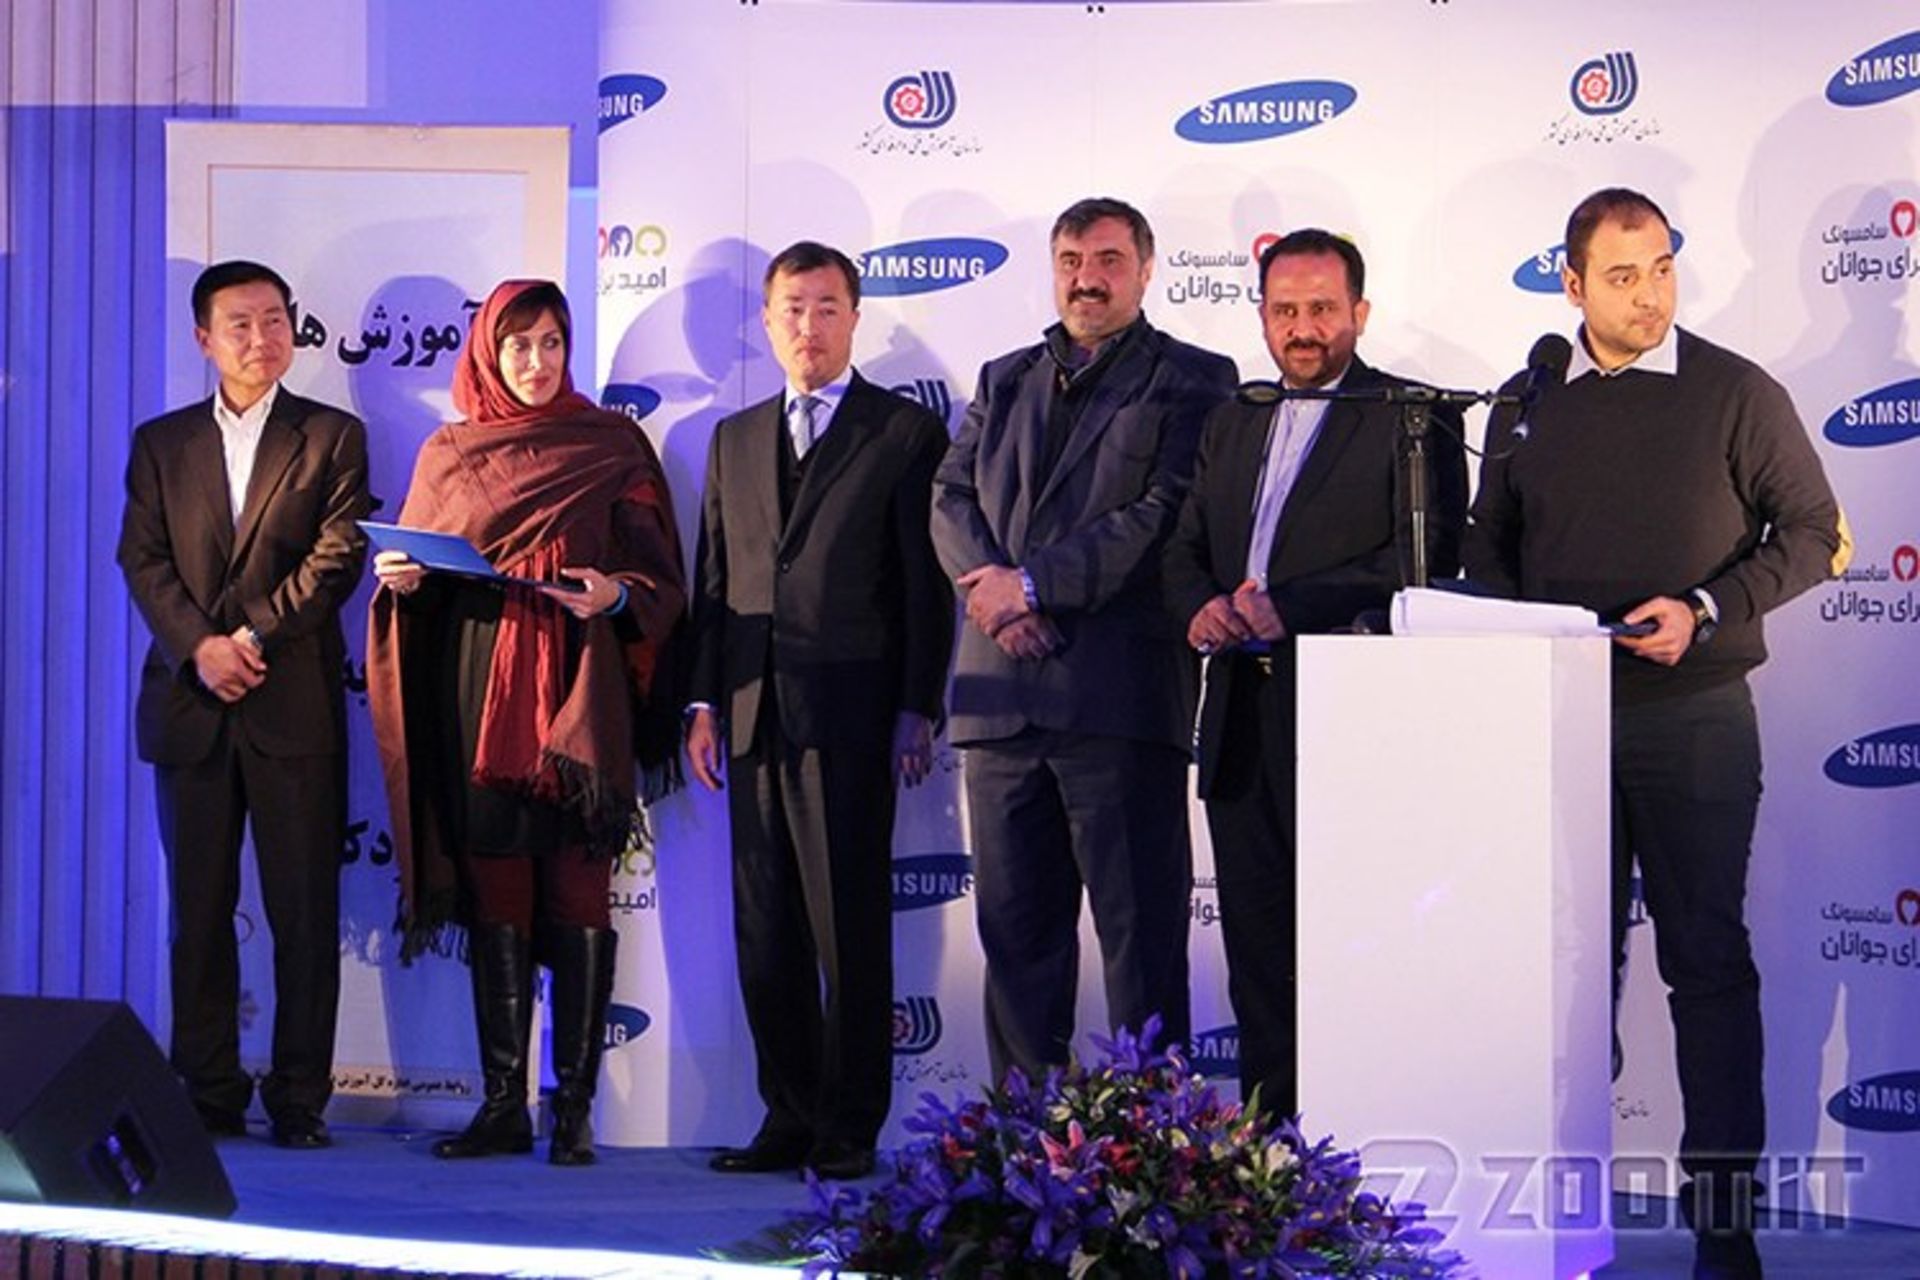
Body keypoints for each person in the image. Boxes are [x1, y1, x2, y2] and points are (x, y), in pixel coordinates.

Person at [1466, 188, 1844, 1280]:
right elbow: (1491, 550)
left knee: (1707, 964)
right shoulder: (1526, 401)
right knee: (1562, 974)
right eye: (1623, 276)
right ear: (1572, 283)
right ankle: (1554, 1212)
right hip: (1556, 718)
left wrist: (1708, 608)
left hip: (1694, 719)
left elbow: (1814, 531)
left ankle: (1723, 1231)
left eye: (1663, 268)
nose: (1650, 295)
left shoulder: (1735, 390)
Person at [366, 279, 685, 1167]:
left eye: (551, 343)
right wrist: (404, 583)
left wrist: (614, 593)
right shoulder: (450, 452)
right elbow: (421, 573)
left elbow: (660, 579)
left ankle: (572, 1109)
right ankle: (505, 1103)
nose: (537, 362)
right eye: (518, 345)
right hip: (477, 692)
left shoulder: (611, 442)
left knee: (580, 889)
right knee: (497, 893)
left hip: (582, 692)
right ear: (488, 353)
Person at [930, 197, 1237, 1084]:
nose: (1086, 279)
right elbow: (949, 498)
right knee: (1017, 945)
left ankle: (1157, 1140)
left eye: (1107, 260)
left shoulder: (1195, 379)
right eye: (1070, 260)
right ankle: (1026, 1145)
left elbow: (1164, 513)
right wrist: (999, 595)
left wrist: (1032, 585)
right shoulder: (1004, 378)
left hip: (1118, 702)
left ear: (1146, 270)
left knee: (1142, 947)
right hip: (999, 705)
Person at [1164, 229, 1467, 1120]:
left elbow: (1425, 559)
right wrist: (1200, 606)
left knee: (1354, 948)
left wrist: (1291, 605)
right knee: (1257, 953)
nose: (1302, 329)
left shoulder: (1411, 418)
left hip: (1350, 723)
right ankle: (1270, 1148)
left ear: (1360, 313)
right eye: (1285, 310)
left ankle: (1357, 1142)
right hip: (1239, 721)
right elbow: (1183, 545)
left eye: (1322, 310)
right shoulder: (1235, 415)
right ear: (1262, 315)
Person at [689, 241, 954, 1181]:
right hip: (750, 711)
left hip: (853, 716)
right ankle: (787, 1116)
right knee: (765, 931)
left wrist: (917, 705)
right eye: (793, 309)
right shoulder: (733, 439)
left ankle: (849, 1126)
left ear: (855, 317)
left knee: (849, 929)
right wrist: (702, 702)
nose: (810, 325)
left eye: (828, 307)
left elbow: (926, 587)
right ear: (768, 322)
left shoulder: (905, 434)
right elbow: (714, 581)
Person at [117, 259, 370, 1149]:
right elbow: (142, 559)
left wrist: (251, 638)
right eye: (241, 324)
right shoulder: (161, 443)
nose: (262, 338)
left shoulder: (332, 436)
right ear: (205, 339)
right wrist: (201, 647)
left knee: (303, 913)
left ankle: (300, 1097)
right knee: (199, 914)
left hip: (290, 704)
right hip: (190, 706)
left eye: (274, 320)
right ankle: (209, 1089)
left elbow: (336, 558)